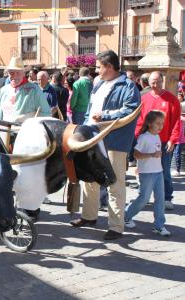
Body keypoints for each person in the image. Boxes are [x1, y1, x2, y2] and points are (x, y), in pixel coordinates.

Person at [70, 50, 141, 240]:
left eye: (99, 67)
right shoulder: (99, 84)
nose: (96, 70)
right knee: (89, 178)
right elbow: (90, 109)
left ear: (109, 66)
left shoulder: (128, 86)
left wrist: (106, 115)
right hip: (91, 137)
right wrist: (83, 128)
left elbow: (130, 110)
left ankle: (116, 226)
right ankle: (89, 216)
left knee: (114, 183)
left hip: (114, 142)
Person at [135, 72, 181, 211]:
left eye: (159, 82)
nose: (156, 85)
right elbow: (140, 120)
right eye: (153, 82)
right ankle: (144, 194)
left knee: (164, 170)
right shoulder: (144, 99)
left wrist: (172, 140)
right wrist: (138, 136)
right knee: (143, 169)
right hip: (146, 140)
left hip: (163, 141)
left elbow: (176, 121)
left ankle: (167, 197)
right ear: (149, 83)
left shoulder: (171, 99)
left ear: (163, 81)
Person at [125, 111, 170, 236]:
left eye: (162, 123)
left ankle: (159, 226)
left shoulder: (157, 136)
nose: (161, 126)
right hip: (147, 174)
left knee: (160, 199)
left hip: (158, 173)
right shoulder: (143, 137)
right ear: (149, 123)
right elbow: (136, 154)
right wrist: (151, 155)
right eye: (158, 123)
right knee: (144, 198)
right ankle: (126, 216)